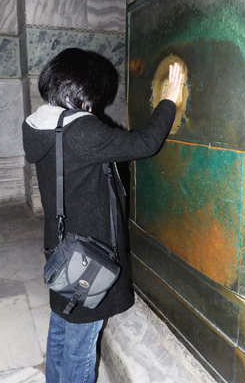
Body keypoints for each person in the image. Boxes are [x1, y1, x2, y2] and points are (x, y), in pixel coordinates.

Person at [22, 48, 183, 383]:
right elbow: (145, 143)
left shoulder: (39, 124)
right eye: (92, 95)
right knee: (82, 341)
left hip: (61, 246)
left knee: (61, 326)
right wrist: (169, 100)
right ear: (74, 93)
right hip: (89, 256)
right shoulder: (82, 131)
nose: (94, 105)